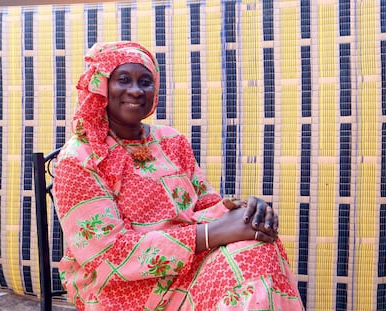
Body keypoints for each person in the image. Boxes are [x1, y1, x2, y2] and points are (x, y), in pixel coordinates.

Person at [53, 41, 304, 311]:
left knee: (257, 247)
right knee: (246, 260)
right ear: (101, 86)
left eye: (146, 82)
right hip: (119, 283)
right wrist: (211, 234)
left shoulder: (171, 141)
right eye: (123, 80)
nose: (136, 91)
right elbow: (106, 255)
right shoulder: (79, 158)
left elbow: (206, 204)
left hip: (187, 263)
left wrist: (247, 213)